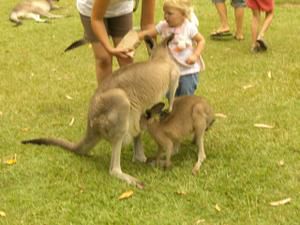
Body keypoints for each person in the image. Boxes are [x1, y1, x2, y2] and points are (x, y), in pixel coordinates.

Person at [76, 0, 156, 85]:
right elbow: (96, 20)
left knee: (126, 57)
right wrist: (109, 48)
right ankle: (105, 96)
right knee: (104, 59)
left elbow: (148, 25)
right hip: (91, 9)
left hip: (121, 9)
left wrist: (155, 57)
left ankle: (130, 96)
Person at [138, 0, 205, 96]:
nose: (166, 16)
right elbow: (149, 33)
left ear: (183, 14)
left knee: (185, 94)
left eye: (170, 13)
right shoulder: (163, 26)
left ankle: (184, 110)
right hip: (169, 71)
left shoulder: (189, 27)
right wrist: (136, 37)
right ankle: (174, 109)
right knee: (171, 95)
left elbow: (201, 40)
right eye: (164, 12)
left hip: (186, 71)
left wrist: (195, 55)